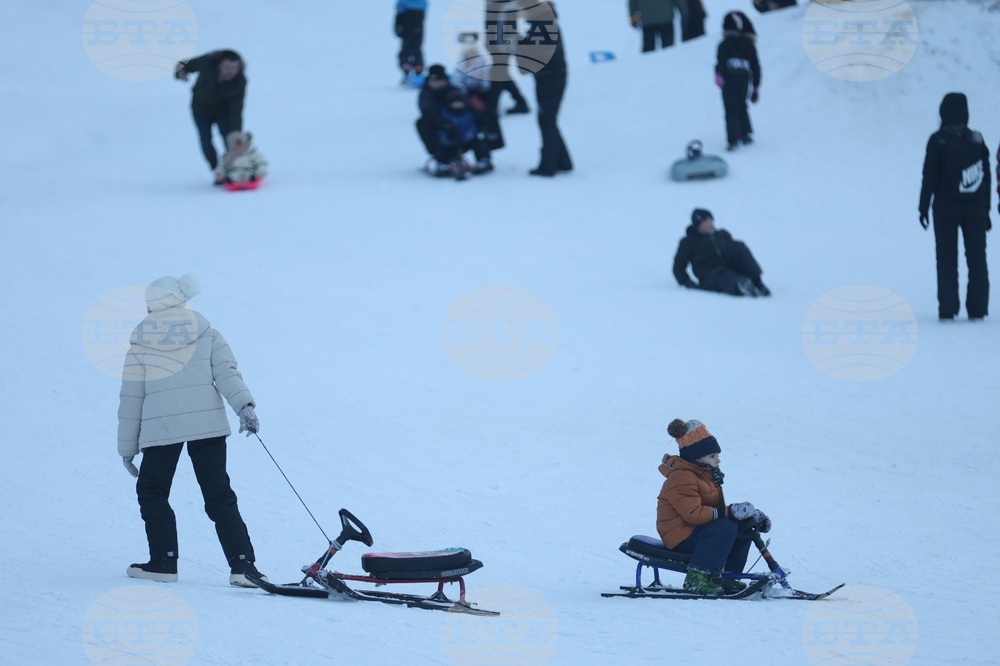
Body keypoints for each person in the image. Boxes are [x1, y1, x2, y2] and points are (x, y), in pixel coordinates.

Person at [118, 273, 267, 588]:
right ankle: (243, 566)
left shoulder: (139, 344)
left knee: (152, 491)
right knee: (218, 494)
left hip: (162, 429)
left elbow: (132, 399)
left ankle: (163, 562)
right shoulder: (207, 333)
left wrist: (127, 448)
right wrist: (245, 407)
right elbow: (227, 374)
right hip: (207, 426)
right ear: (183, 300)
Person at [656, 418, 771, 595]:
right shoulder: (682, 478)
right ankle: (699, 577)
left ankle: (728, 577)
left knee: (741, 527)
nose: (718, 461)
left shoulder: (704, 476)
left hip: (696, 530)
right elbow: (692, 514)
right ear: (696, 458)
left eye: (717, 456)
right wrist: (728, 512)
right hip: (680, 535)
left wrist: (748, 516)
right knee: (725, 527)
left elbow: (714, 512)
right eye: (712, 456)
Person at [919, 93, 991, 321]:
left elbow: (929, 176)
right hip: (976, 210)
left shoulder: (937, 140)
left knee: (946, 260)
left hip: (945, 210)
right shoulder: (977, 139)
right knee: (977, 259)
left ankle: (948, 309)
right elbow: (985, 178)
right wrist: (986, 211)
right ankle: (978, 309)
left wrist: (923, 207)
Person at [175, 50, 247, 184]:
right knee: (205, 139)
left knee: (229, 138)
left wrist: (236, 131)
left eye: (234, 68)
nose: (230, 72)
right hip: (201, 109)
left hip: (223, 111)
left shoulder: (240, 81)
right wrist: (181, 72)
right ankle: (217, 170)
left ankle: (232, 168)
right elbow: (184, 64)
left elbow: (237, 108)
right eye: (227, 67)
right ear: (219, 65)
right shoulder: (208, 62)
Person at [521, 2, 573, 177]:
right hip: (549, 77)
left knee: (546, 119)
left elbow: (536, 54)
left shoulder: (543, 24)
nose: (520, 14)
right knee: (548, 119)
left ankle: (548, 165)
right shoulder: (542, 23)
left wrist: (516, 45)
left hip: (550, 79)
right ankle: (563, 161)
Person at [416, 65, 493, 177]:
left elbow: (468, 108)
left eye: (441, 80)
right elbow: (429, 113)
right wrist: (445, 126)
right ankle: (441, 160)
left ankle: (484, 158)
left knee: (478, 138)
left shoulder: (454, 91)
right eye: (435, 81)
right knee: (423, 124)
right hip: (442, 132)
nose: (438, 84)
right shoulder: (426, 95)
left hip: (464, 133)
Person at [672, 208, 770, 297]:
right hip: (709, 273)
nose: (710, 224)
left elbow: (736, 254)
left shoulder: (722, 235)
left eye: (711, 221)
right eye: (706, 222)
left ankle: (757, 282)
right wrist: (688, 283)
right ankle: (740, 286)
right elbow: (678, 267)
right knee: (722, 275)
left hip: (728, 266)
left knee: (738, 246)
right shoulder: (689, 241)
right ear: (698, 225)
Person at [715, 11, 760, 150]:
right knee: (742, 105)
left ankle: (733, 138)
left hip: (728, 81)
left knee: (730, 109)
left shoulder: (724, 44)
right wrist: (756, 86)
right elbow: (756, 66)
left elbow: (721, 62)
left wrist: (719, 74)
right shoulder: (749, 45)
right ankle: (745, 134)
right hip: (744, 81)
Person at [485, 0, 531, 114]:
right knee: (501, 71)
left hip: (501, 42)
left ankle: (491, 106)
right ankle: (520, 102)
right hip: (496, 40)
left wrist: (500, 43)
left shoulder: (507, 5)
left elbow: (506, 24)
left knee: (498, 72)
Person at [395, 0, 427, 84]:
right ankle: (416, 72)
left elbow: (399, 15)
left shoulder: (403, 2)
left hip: (410, 27)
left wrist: (398, 27)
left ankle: (412, 73)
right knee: (416, 51)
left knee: (408, 51)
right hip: (417, 27)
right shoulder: (422, 2)